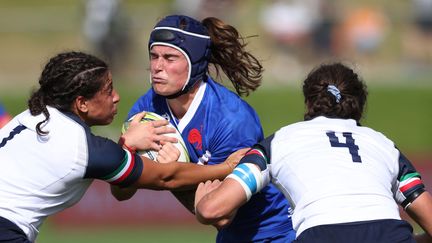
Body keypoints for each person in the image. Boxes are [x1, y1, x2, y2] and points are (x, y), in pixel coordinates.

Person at [0, 51, 245, 243]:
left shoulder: (33, 115)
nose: (116, 97)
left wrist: (125, 145)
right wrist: (227, 167)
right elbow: (165, 177)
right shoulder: (85, 149)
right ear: (82, 103)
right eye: (107, 91)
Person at [195, 62, 432, 243]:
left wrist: (200, 201)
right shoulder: (384, 144)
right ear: (359, 105)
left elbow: (213, 209)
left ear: (309, 103)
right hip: (392, 234)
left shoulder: (278, 142)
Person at [117, 15, 296, 242]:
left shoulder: (231, 119)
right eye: (154, 56)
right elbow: (121, 192)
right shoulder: (146, 110)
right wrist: (126, 148)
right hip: (230, 236)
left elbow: (220, 214)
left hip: (276, 231)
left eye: (170, 58)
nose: (157, 67)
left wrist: (172, 172)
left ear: (195, 64)